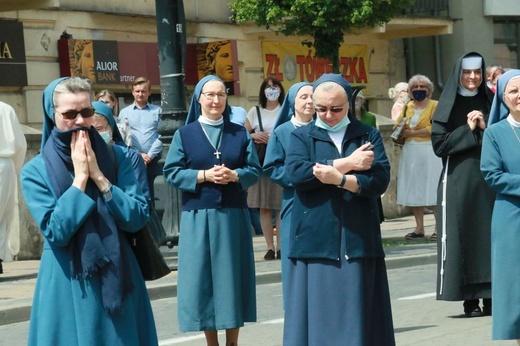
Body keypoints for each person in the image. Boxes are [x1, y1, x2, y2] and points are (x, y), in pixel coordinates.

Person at [20, 77, 158, 345]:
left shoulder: (117, 157)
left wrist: (101, 178)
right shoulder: (36, 170)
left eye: (87, 112)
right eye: (70, 114)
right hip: (66, 279)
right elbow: (56, 231)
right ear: (53, 114)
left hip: (119, 275)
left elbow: (137, 217)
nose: (81, 121)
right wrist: (80, 180)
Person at [283, 73, 394, 345]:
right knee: (319, 316)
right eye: (321, 109)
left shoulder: (367, 134)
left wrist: (339, 180)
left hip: (358, 233)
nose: (329, 115)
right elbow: (298, 174)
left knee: (360, 313)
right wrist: (347, 163)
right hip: (315, 234)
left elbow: (379, 180)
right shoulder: (301, 135)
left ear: (349, 105)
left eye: (336, 109)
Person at [163, 75, 260, 346]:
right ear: (199, 99)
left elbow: (254, 171)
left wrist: (235, 175)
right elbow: (171, 172)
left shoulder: (239, 133)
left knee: (232, 279)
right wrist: (204, 176)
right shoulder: (185, 134)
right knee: (203, 280)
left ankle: (232, 342)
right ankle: (212, 343)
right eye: (210, 95)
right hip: (198, 216)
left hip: (232, 216)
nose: (216, 100)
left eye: (221, 95)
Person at [431, 52, 494, 317]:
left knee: (489, 238)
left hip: (489, 179)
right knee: (465, 236)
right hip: (459, 179)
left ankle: (491, 297)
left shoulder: (491, 102)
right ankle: (470, 301)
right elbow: (440, 145)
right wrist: (467, 128)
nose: (472, 77)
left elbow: (503, 133)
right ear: (459, 74)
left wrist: (485, 124)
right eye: (467, 73)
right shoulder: (446, 106)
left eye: (477, 73)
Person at [263, 82, 314, 305]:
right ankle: (296, 309)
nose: (309, 101)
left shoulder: (324, 128)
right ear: (293, 101)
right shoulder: (282, 131)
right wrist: (298, 178)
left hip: (324, 201)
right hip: (294, 200)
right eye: (304, 97)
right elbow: (272, 166)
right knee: (294, 257)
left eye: (313, 97)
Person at [481, 69, 520, 342]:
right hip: (512, 217)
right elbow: (492, 175)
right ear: (503, 97)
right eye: (514, 91)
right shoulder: (495, 132)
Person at [394, 75, 442, 241]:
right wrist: (400, 131)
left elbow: (434, 127)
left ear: (429, 90)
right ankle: (419, 227)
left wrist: (411, 132)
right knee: (414, 187)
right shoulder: (407, 106)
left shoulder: (435, 105)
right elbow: (399, 124)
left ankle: (438, 227)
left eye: (422, 86)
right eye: (415, 87)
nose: (419, 89)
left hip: (429, 150)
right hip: (410, 151)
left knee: (433, 186)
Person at [245, 76, 285, 260]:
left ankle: (282, 246)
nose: (271, 90)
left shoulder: (286, 110)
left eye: (274, 86)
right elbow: (242, 134)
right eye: (268, 87)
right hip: (261, 161)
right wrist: (255, 136)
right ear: (262, 91)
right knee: (264, 206)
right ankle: (270, 247)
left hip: (281, 160)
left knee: (280, 205)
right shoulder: (255, 111)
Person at [119, 77, 163, 203]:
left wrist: (149, 155)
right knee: (138, 191)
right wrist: (139, 154)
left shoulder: (158, 111)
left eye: (143, 91)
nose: (140, 94)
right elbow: (123, 137)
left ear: (149, 92)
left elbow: (162, 135)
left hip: (155, 159)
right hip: (134, 158)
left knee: (157, 192)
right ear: (133, 92)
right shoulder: (124, 113)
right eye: (137, 91)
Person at [0, 102, 27, 274]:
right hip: (5, 164)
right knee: (3, 215)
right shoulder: (5, 108)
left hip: (5, 162)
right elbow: (20, 145)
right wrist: (14, 169)